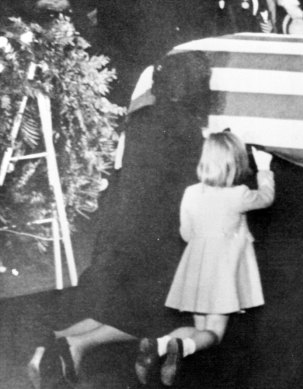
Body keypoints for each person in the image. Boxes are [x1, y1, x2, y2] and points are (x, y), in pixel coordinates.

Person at [27, 50, 211, 389]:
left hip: (119, 225)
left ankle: (53, 342)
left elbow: (122, 170)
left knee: (119, 305)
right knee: (165, 315)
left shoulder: (138, 119)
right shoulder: (189, 130)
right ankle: (77, 344)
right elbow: (190, 190)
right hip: (160, 232)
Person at [133, 131, 275, 386]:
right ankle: (182, 346)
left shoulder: (190, 193)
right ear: (235, 164)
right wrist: (264, 169)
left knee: (198, 328)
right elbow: (266, 198)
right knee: (213, 334)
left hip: (196, 271)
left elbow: (186, 233)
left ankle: (161, 343)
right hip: (223, 274)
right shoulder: (238, 194)